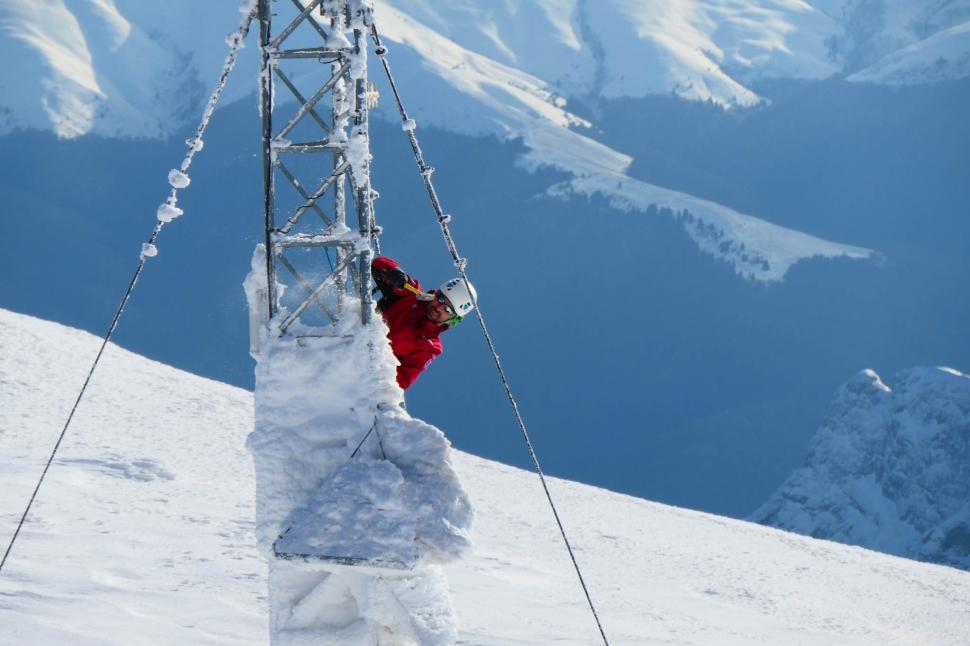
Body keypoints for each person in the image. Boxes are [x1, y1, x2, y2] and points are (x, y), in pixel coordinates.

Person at [371, 256, 476, 389]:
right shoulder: (413, 295)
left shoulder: (430, 346)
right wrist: (394, 272)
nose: (438, 307)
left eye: (447, 309)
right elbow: (378, 263)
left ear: (453, 319)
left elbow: (402, 380)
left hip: (370, 364)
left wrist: (378, 368)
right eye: (441, 299)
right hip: (358, 330)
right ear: (435, 294)